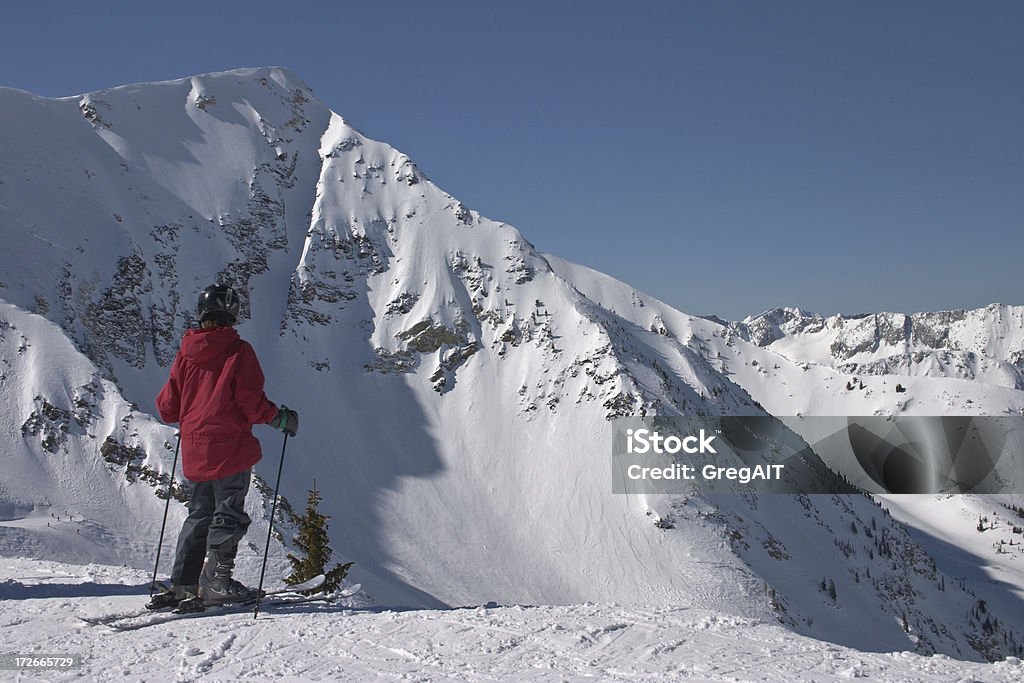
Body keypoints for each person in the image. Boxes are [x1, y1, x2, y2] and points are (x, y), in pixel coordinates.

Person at [154, 283, 298, 606]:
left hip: (195, 451)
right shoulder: (238, 352)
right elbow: (251, 403)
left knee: (199, 516)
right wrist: (281, 418)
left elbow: (167, 408)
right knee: (228, 513)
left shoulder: (186, 355)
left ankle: (183, 584)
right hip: (230, 449)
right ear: (232, 314)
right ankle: (217, 581)